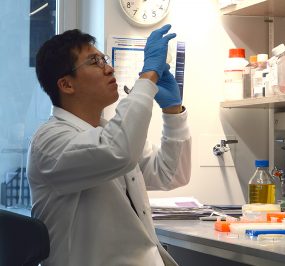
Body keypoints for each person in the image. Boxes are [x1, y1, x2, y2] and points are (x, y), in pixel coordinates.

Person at [27, 24, 191, 266]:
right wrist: (147, 79)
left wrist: (172, 111)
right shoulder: (49, 142)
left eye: (104, 59)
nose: (109, 68)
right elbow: (118, 151)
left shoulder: (106, 132)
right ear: (66, 85)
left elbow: (170, 174)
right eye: (95, 62)